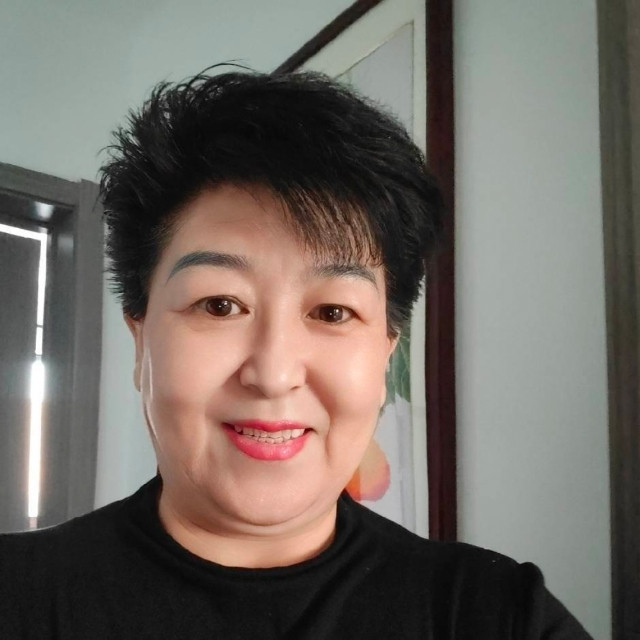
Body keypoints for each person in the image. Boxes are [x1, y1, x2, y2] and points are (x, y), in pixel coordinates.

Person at [0, 69, 592, 639]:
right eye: (220, 305)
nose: (274, 373)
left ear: (386, 355)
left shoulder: (498, 615)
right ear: (140, 339)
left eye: (332, 312)